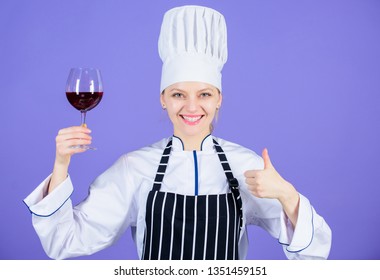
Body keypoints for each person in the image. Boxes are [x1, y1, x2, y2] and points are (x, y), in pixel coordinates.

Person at [24, 5, 332, 260]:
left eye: (205, 95)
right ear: (162, 98)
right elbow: (64, 241)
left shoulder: (246, 167)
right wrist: (61, 164)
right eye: (178, 94)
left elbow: (314, 255)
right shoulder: (135, 168)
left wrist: (286, 194)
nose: (192, 106)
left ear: (220, 98)